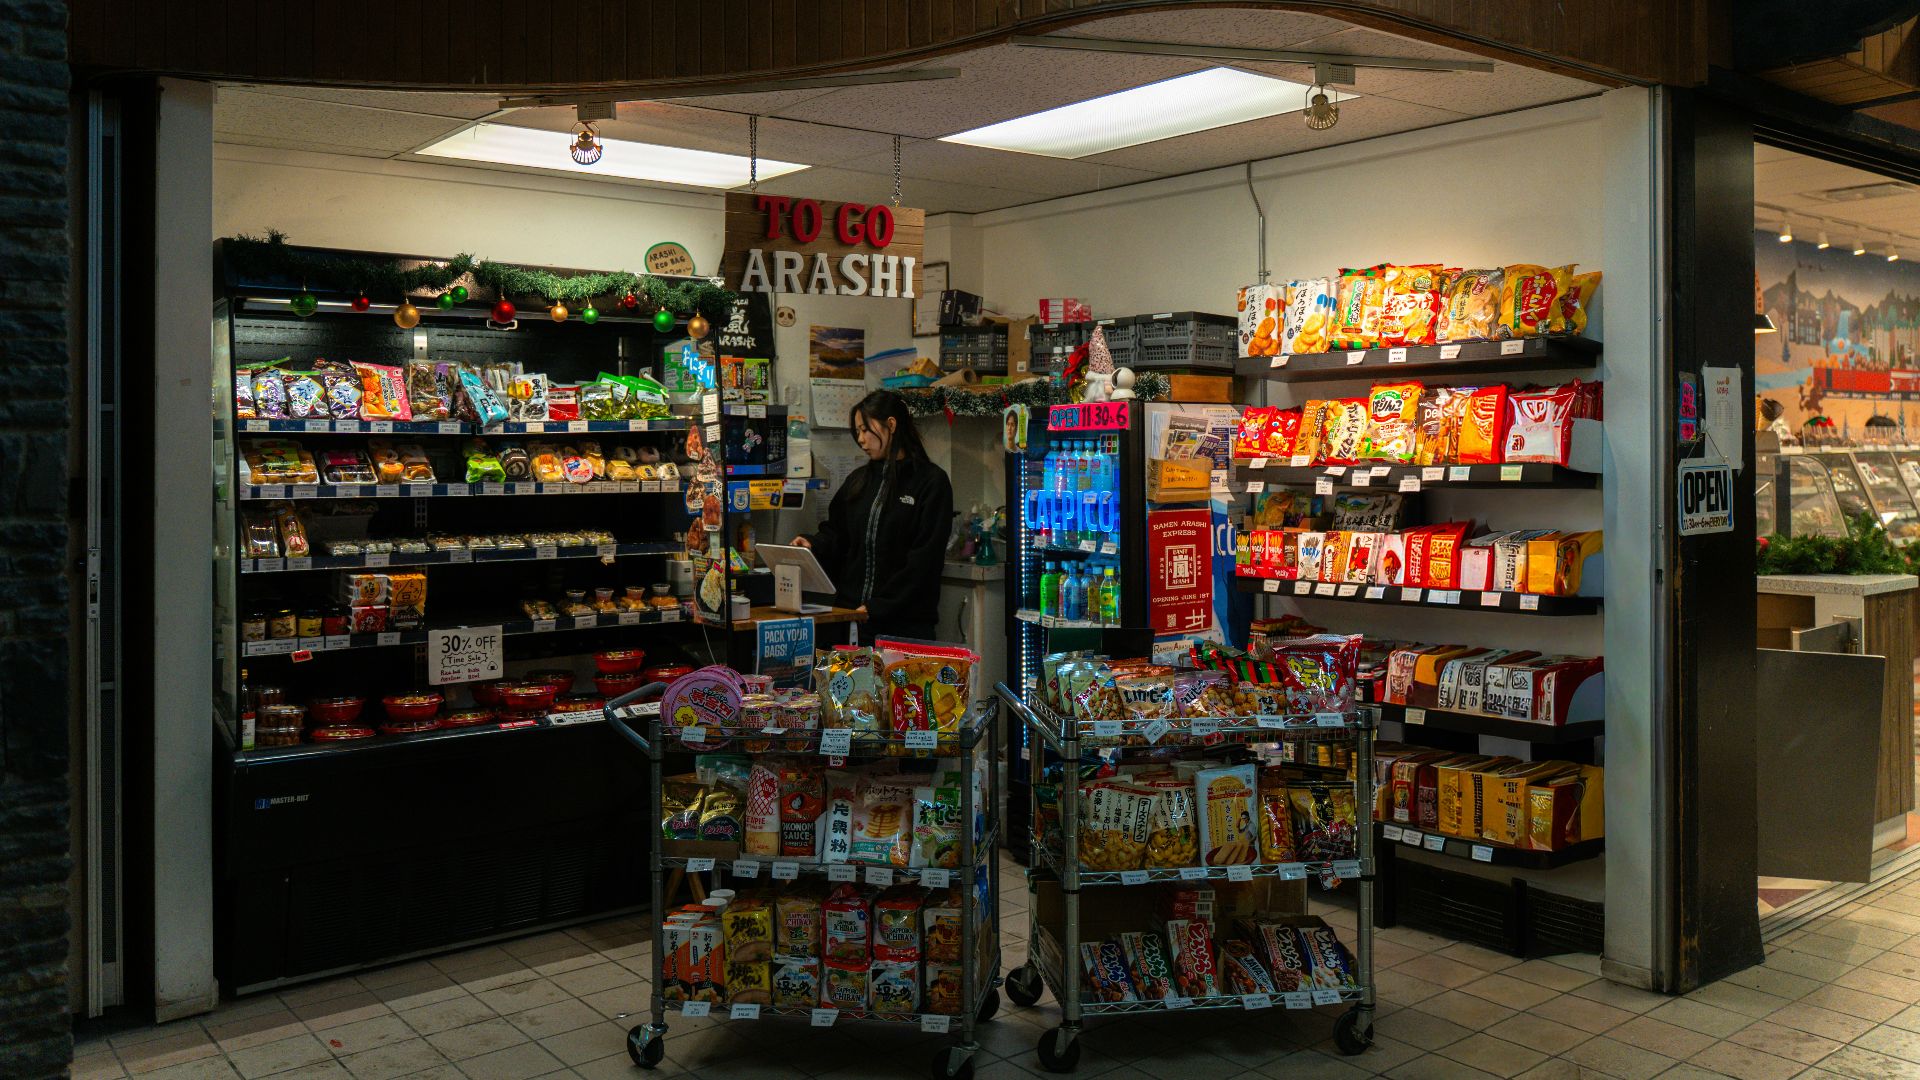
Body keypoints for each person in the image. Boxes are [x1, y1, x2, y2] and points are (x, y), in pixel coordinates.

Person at [793, 390, 954, 641]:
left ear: (891, 425)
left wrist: (880, 605)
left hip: (905, 627)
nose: (860, 439)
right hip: (851, 619)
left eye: (865, 430)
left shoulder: (931, 482)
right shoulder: (858, 481)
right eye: (857, 432)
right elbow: (836, 534)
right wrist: (812, 544)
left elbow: (924, 560)